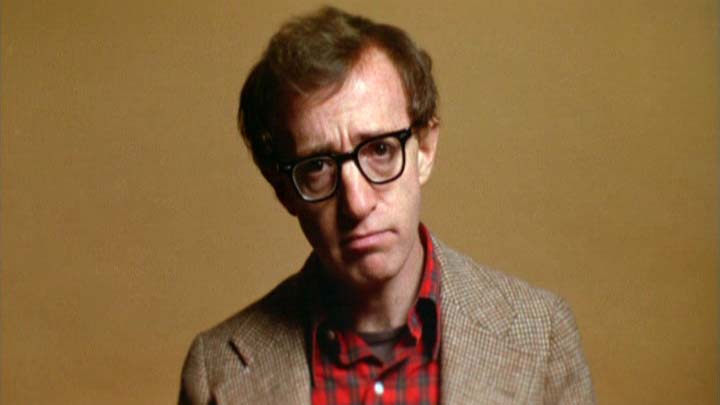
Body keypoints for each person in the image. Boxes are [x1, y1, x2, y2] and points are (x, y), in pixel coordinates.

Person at [179, 6, 594, 405]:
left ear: (424, 150)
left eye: (380, 149)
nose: (357, 204)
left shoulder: (542, 337)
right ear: (283, 189)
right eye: (318, 165)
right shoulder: (216, 370)